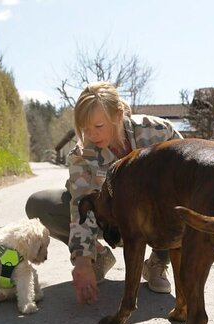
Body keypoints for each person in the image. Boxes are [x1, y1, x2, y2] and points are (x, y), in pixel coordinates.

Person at [26, 81, 183, 305]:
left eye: (98, 126)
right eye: (85, 128)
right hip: (111, 222)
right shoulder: (83, 153)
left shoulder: (159, 132)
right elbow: (80, 204)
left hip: (155, 218)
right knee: (39, 205)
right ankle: (97, 256)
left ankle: (158, 261)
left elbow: (190, 175)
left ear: (118, 115)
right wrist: (82, 260)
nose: (91, 134)